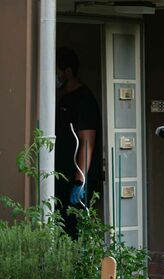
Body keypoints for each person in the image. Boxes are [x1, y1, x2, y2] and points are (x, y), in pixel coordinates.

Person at [55, 47, 101, 237]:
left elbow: (87, 143)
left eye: (57, 70)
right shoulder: (63, 97)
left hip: (74, 179)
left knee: (73, 229)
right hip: (60, 176)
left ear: (68, 71)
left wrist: (79, 181)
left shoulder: (84, 100)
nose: (55, 75)